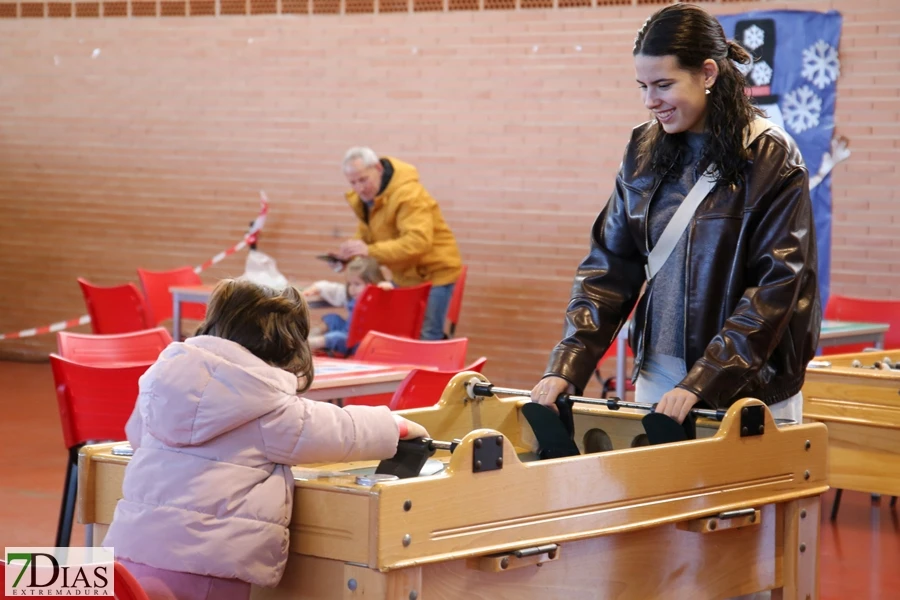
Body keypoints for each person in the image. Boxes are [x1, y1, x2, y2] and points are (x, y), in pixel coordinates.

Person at [532, 3, 821, 434]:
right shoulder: (643, 148)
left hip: (747, 381)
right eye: (643, 86)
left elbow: (775, 287)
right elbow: (609, 267)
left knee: (734, 502)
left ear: (707, 73)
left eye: (664, 84)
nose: (651, 102)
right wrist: (568, 362)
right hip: (660, 377)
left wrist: (705, 380)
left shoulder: (771, 156)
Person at [103, 279, 428, 600]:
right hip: (208, 562)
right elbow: (340, 430)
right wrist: (395, 426)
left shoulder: (162, 381)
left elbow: (136, 436)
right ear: (288, 346)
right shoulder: (263, 401)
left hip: (134, 550)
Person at [339, 147, 462, 340]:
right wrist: (347, 257)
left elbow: (418, 242)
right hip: (405, 275)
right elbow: (365, 238)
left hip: (434, 273)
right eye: (353, 182)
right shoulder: (367, 199)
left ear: (378, 168)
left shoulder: (408, 194)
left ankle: (430, 367)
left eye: (363, 180)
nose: (359, 188)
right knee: (399, 334)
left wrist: (369, 250)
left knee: (427, 337)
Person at [304, 256, 393, 355]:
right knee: (332, 318)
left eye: (357, 284)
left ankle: (308, 344)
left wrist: (382, 289)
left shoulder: (375, 298)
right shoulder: (355, 298)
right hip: (348, 333)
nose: (352, 288)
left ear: (372, 283)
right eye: (350, 284)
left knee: (335, 337)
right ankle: (311, 335)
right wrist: (317, 288)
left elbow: (387, 291)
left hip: (359, 342)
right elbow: (334, 290)